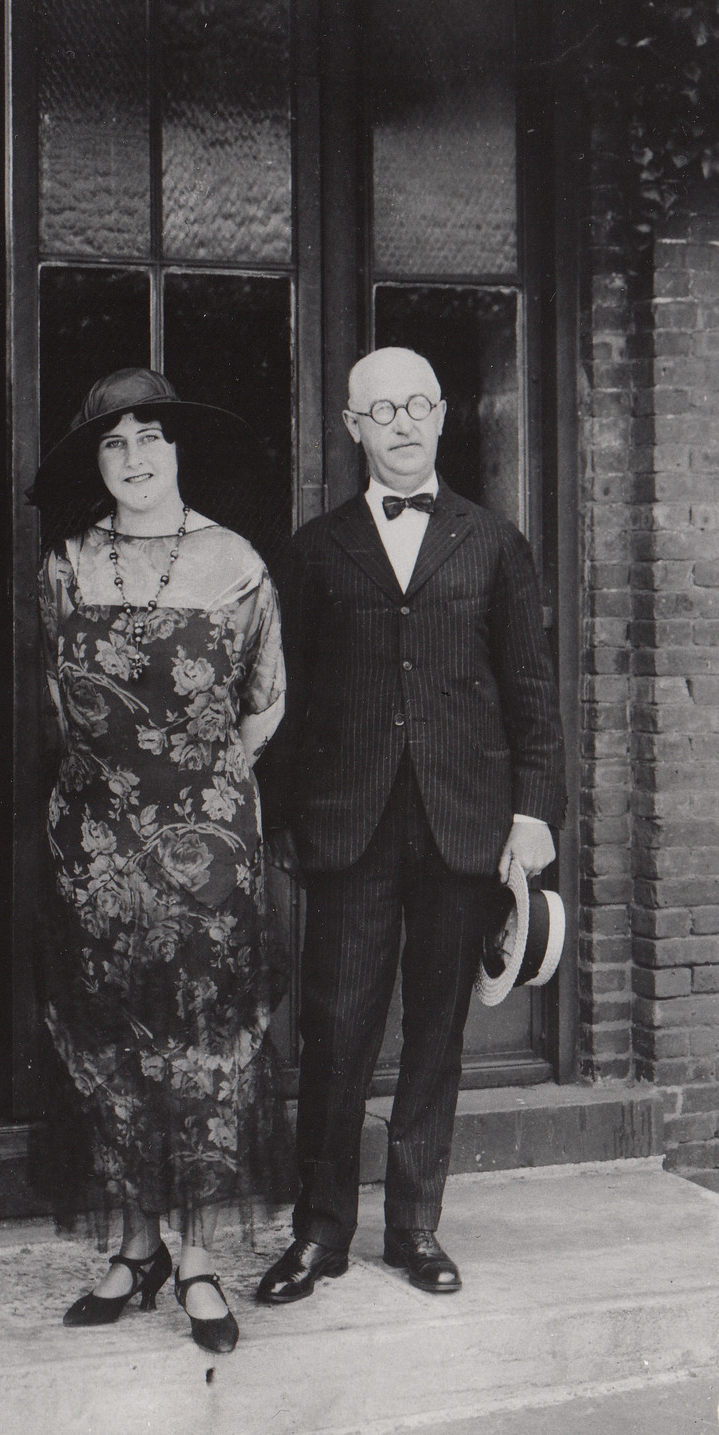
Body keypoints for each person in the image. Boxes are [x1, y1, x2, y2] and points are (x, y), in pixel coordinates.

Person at [256, 345, 564, 1305]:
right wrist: (287, 823)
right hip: (350, 828)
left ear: (441, 416)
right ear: (352, 428)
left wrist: (533, 815)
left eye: (416, 406)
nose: (399, 424)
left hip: (460, 827)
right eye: (378, 410)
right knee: (337, 1028)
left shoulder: (491, 542)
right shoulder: (314, 549)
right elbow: (285, 703)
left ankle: (415, 1228)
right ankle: (319, 1234)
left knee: (435, 1030)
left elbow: (529, 692)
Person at [27, 366, 290, 1355]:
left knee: (198, 1047)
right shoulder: (65, 567)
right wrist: (108, 800)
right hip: (92, 846)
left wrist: (200, 783)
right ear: (95, 462)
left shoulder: (236, 562)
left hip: (207, 848)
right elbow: (52, 709)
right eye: (112, 443)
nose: (133, 458)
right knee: (104, 1046)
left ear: (178, 450)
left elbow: (265, 699)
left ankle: (196, 1260)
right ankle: (134, 1247)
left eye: (150, 437)